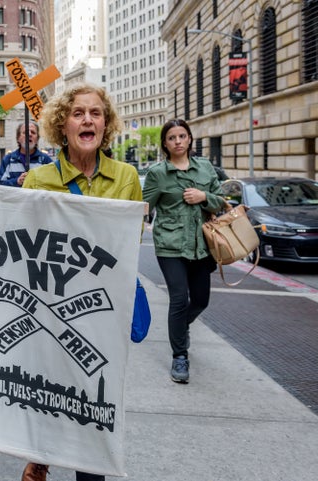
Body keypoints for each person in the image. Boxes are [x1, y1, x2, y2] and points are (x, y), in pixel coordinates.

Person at [20, 84, 143, 481]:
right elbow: (24, 248)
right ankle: (40, 452)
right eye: (77, 113)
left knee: (94, 409)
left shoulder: (126, 178)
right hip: (51, 309)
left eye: (95, 113)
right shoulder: (37, 180)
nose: (87, 119)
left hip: (100, 313)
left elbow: (129, 245)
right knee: (49, 392)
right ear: (63, 124)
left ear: (106, 125)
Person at [141, 119, 224, 384]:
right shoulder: (157, 174)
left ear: (189, 139)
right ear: (165, 144)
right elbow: (144, 206)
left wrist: (204, 197)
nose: (177, 141)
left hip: (201, 246)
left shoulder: (205, 168)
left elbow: (221, 201)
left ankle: (180, 328)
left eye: (182, 136)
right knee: (179, 299)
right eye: (171, 137)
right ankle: (180, 355)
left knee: (200, 300)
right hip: (170, 246)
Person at [0, 121, 52, 187]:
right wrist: (17, 181)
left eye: (33, 132)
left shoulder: (45, 160)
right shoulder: (8, 160)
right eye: (25, 132)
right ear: (18, 138)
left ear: (37, 139)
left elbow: (54, 184)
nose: (29, 135)